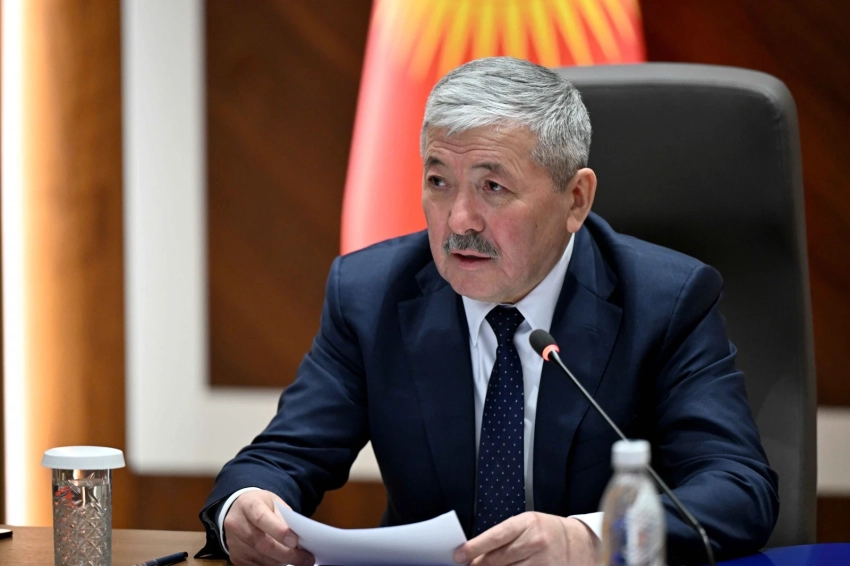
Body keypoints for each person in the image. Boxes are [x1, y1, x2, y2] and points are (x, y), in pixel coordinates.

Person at [197, 57, 778, 566]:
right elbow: (282, 457)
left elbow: (738, 489)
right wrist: (243, 509)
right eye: (438, 181)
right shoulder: (370, 294)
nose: (459, 220)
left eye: (493, 187)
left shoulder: (665, 301)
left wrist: (590, 540)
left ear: (575, 199)